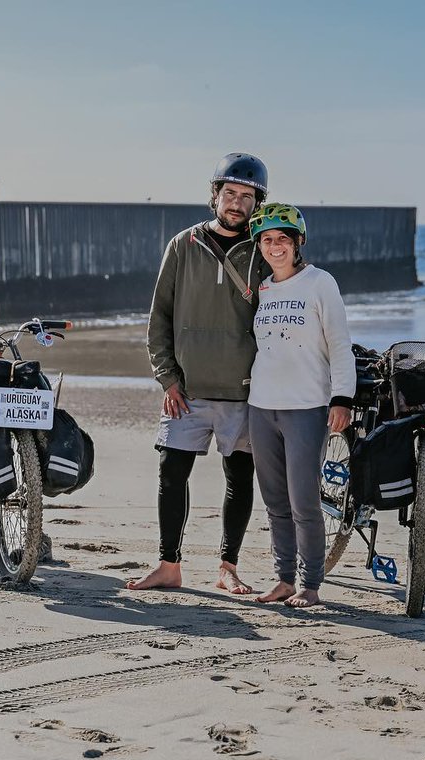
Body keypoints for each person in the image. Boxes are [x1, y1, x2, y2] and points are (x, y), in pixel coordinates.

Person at [126, 153, 270, 594]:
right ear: (215, 195)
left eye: (247, 196)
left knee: (239, 479)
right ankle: (169, 564)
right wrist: (167, 378)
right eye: (230, 193)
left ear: (257, 203)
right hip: (186, 390)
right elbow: (159, 319)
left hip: (244, 392)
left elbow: (284, 318)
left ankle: (228, 566)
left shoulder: (264, 248)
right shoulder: (183, 245)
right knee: (171, 474)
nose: (236, 203)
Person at [245, 203, 355, 608]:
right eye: (268, 240)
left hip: (307, 407)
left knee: (303, 500)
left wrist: (342, 397)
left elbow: (339, 343)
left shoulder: (320, 283)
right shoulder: (263, 289)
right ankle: (283, 579)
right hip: (261, 407)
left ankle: (310, 584)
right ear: (260, 245)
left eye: (283, 240)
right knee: (275, 501)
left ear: (298, 243)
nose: (275, 247)